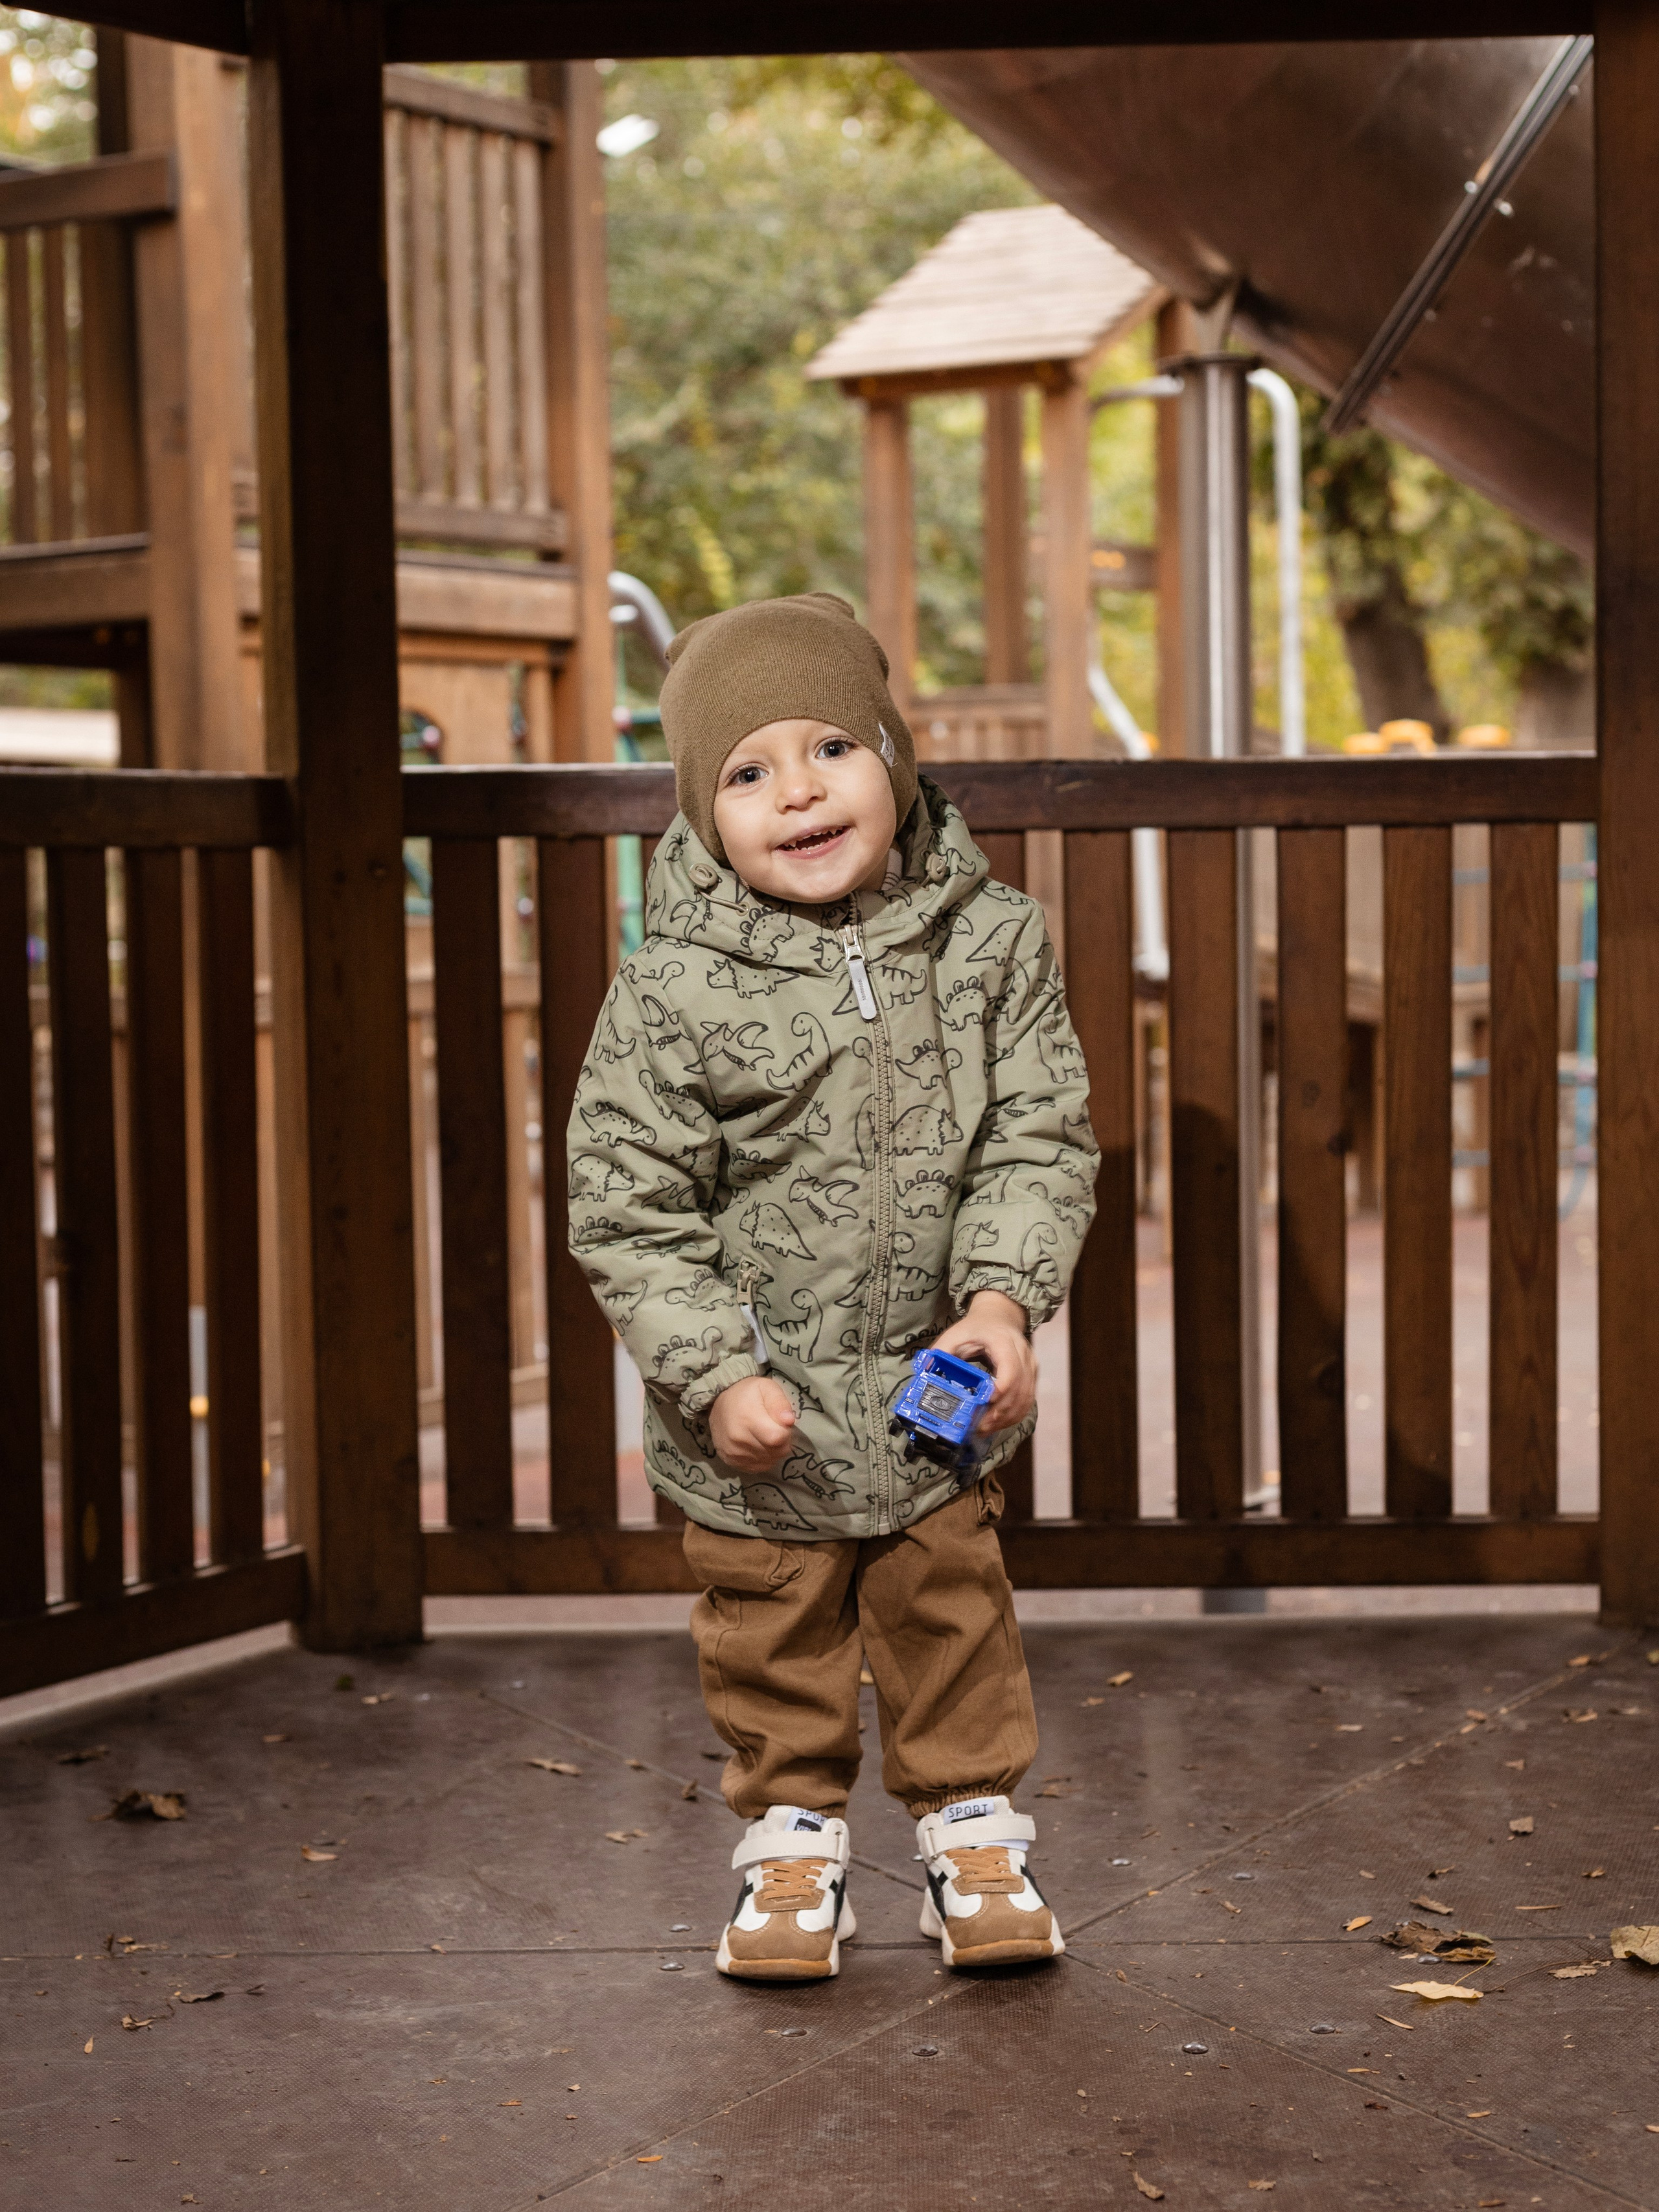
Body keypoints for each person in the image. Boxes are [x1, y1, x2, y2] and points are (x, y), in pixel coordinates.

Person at [568, 593, 1098, 1981]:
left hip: (933, 1397)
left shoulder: (991, 946)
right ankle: (791, 1845)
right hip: (758, 1418)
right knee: (770, 1632)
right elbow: (628, 1208)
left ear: (895, 760)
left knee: (950, 1613)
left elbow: (1034, 1142)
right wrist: (711, 1374)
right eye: (747, 771)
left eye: (831, 750)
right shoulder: (670, 988)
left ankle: (970, 1833)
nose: (796, 792)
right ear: (701, 809)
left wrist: (998, 1303)